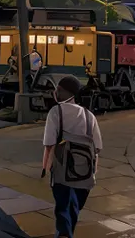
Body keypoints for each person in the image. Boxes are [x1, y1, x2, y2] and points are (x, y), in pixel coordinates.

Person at [41, 76, 103, 237]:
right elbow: (97, 148)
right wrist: (93, 172)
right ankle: (66, 233)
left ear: (64, 92)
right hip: (85, 173)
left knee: (63, 208)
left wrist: (45, 167)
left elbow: (49, 144)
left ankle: (64, 235)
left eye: (58, 90)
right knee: (73, 209)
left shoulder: (55, 113)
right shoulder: (90, 116)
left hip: (62, 171)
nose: (56, 93)